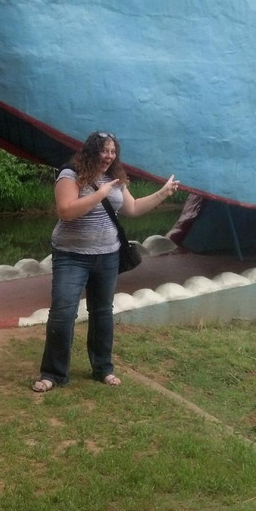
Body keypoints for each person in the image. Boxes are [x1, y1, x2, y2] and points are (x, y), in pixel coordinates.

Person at [32, 131, 178, 392]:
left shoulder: (115, 178)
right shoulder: (71, 174)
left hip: (108, 255)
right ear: (91, 151)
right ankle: (53, 374)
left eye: (113, 151)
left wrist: (163, 194)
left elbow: (131, 209)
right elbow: (66, 212)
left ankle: (103, 369)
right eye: (104, 150)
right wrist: (101, 194)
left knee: (102, 313)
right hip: (71, 256)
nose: (109, 156)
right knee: (63, 314)